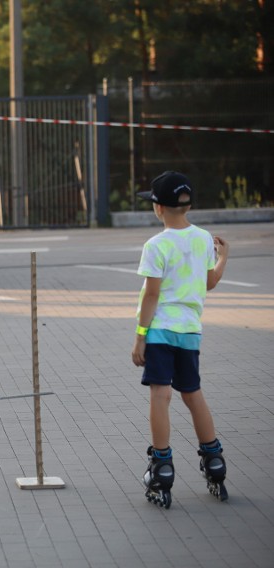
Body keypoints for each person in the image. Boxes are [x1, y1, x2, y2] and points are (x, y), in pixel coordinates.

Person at [132, 171, 230, 508]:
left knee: (160, 395)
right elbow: (210, 282)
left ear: (158, 208)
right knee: (193, 395)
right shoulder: (203, 238)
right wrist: (222, 258)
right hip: (190, 332)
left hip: (160, 331)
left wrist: (140, 337)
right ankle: (215, 461)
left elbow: (151, 296)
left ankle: (162, 468)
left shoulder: (156, 245)